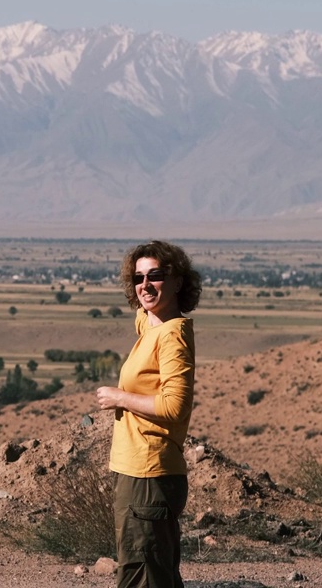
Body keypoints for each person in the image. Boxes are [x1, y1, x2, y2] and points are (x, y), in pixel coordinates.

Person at [95, 240, 201, 588]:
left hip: (149, 472)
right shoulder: (153, 325)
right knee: (154, 572)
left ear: (177, 281)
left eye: (155, 276)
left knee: (143, 575)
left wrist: (119, 397)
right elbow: (144, 313)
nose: (144, 284)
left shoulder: (171, 337)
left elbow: (174, 406)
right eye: (138, 277)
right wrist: (148, 302)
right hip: (138, 471)